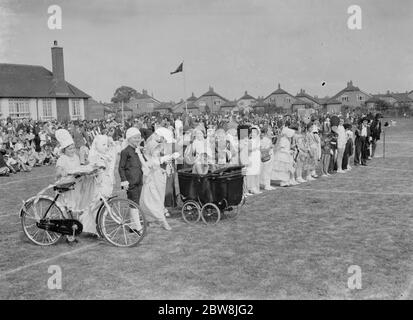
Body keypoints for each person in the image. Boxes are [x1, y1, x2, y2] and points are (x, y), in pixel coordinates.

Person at [55, 129, 98, 235]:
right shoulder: (62, 158)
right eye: (69, 149)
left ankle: (76, 227)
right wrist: (63, 172)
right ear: (64, 150)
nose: (72, 150)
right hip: (66, 186)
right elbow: (58, 172)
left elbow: (79, 168)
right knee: (68, 208)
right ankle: (68, 230)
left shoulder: (76, 157)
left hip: (76, 185)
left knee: (77, 207)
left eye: (73, 148)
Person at [136, 134, 179, 231]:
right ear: (151, 150)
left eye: (158, 149)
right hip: (152, 183)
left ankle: (150, 220)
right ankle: (162, 220)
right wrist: (139, 154)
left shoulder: (155, 158)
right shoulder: (150, 160)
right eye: (156, 149)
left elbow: (157, 165)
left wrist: (161, 170)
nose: (158, 151)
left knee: (157, 200)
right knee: (154, 201)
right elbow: (148, 166)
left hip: (159, 180)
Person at [118, 127, 145, 233]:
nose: (137, 140)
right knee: (134, 204)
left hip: (139, 180)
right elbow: (121, 167)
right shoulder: (125, 152)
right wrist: (124, 180)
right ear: (129, 139)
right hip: (131, 182)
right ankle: (138, 227)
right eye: (135, 138)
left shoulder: (137, 151)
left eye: (139, 138)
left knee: (135, 203)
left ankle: (132, 226)